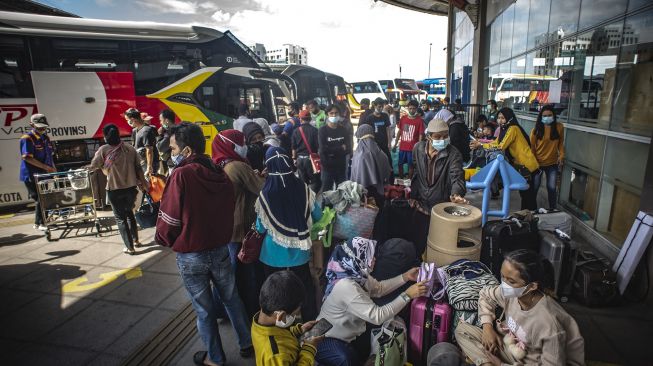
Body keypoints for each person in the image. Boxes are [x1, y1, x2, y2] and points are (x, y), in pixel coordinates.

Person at [155, 122, 253, 366]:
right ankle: (246, 342)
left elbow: (170, 217)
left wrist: (164, 239)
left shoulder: (181, 175)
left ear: (187, 151)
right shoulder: (219, 171)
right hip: (220, 249)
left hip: (192, 256)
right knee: (232, 298)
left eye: (173, 148)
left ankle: (216, 358)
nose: (171, 153)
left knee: (204, 309)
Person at [455, 249, 584, 366]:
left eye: (511, 281)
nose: (504, 284)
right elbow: (486, 295)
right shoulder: (512, 293)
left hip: (533, 362)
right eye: (502, 277)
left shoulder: (549, 323)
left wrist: (501, 364)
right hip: (510, 349)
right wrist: (487, 327)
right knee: (462, 330)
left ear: (532, 286)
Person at [315, 238, 427, 366]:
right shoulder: (346, 286)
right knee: (345, 359)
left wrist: (405, 277)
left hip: (344, 335)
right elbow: (377, 316)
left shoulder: (358, 276)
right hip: (323, 338)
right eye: (370, 256)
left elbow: (379, 288)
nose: (374, 260)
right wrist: (407, 295)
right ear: (357, 259)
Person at [255, 147, 323, 321]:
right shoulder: (304, 189)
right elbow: (318, 216)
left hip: (271, 255)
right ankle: (309, 322)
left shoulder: (266, 194)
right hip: (299, 252)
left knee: (274, 293)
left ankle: (279, 324)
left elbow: (260, 228)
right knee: (304, 288)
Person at [211, 129, 266, 318]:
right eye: (241, 143)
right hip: (242, 228)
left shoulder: (220, 163)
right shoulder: (237, 166)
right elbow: (262, 189)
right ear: (230, 145)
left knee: (227, 274)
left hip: (226, 225)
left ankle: (221, 310)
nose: (245, 147)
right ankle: (250, 310)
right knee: (245, 273)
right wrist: (263, 177)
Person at [410, 118, 467, 254]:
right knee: (419, 241)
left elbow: (456, 176)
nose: (442, 140)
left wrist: (456, 194)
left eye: (445, 136)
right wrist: (412, 193)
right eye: (438, 137)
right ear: (429, 136)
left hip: (442, 206)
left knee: (439, 244)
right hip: (421, 204)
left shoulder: (453, 154)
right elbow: (416, 171)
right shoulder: (417, 149)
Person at [87, 124, 147, 254]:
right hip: (131, 188)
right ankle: (135, 240)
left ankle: (129, 247)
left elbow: (93, 165)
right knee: (130, 213)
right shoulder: (130, 149)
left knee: (120, 218)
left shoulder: (103, 150)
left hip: (114, 189)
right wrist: (144, 183)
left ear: (105, 136)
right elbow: (139, 168)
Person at [470, 108, 540, 210]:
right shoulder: (505, 129)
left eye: (503, 118)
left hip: (528, 165)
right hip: (521, 165)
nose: (500, 120)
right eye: (498, 118)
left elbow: (500, 146)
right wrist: (481, 143)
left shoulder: (513, 129)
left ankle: (531, 217)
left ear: (509, 118)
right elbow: (495, 142)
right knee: (525, 195)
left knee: (528, 196)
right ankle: (526, 216)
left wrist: (480, 144)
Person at [253, 271, 322, 366]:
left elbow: (280, 335)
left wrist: (299, 330)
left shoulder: (261, 321)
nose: (295, 317)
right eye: (295, 314)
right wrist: (309, 349)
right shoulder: (276, 356)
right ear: (281, 315)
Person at [20, 113, 56, 231]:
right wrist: (46, 167)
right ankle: (40, 223)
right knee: (40, 199)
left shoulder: (46, 138)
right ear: (31, 125)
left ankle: (42, 221)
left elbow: (49, 155)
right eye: (40, 127)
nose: (42, 129)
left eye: (44, 127)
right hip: (32, 175)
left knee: (46, 197)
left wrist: (52, 169)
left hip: (45, 174)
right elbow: (27, 157)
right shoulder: (27, 138)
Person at [530, 105, 565, 210]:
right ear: (541, 117)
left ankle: (553, 209)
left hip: (552, 164)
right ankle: (533, 210)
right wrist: (533, 164)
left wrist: (562, 156)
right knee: (535, 188)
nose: (547, 117)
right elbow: (532, 149)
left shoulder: (559, 127)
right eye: (544, 115)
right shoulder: (535, 130)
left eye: (550, 115)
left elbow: (560, 144)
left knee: (552, 188)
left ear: (554, 116)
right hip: (538, 164)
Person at [351, 124, 391, 208]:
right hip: (380, 192)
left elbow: (357, 177)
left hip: (365, 195)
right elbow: (387, 172)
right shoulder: (381, 153)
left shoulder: (360, 155)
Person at [318, 104, 350, 191]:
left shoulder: (343, 130)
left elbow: (348, 148)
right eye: (331, 113)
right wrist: (340, 148)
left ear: (339, 114)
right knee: (326, 191)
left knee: (342, 190)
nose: (334, 115)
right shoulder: (322, 130)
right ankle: (326, 205)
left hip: (341, 166)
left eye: (336, 113)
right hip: (327, 167)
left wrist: (331, 150)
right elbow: (323, 149)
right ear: (327, 115)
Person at [393, 100, 425, 179]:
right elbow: (400, 132)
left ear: (416, 109)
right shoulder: (403, 119)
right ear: (407, 108)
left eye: (413, 108)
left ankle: (409, 182)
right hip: (402, 147)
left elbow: (421, 135)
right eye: (410, 108)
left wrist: (419, 148)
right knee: (400, 164)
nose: (411, 110)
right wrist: (395, 144)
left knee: (411, 166)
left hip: (413, 149)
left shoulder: (419, 121)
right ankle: (401, 180)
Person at [292, 110, 321, 193]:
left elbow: (293, 147)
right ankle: (313, 196)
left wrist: (294, 159)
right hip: (311, 160)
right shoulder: (315, 130)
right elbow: (319, 146)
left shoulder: (296, 131)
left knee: (303, 181)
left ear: (300, 119)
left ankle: (306, 196)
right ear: (310, 119)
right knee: (315, 180)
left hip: (300, 160)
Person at [124, 108, 158, 176]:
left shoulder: (146, 130)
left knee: (150, 185)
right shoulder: (134, 131)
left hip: (148, 165)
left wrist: (149, 167)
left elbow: (149, 150)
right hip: (141, 163)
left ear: (133, 119)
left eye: (127, 120)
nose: (127, 122)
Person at [361, 97, 392, 167]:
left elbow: (388, 129)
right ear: (375, 106)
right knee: (376, 163)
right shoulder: (369, 118)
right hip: (374, 144)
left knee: (388, 162)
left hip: (384, 143)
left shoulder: (385, 116)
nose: (381, 108)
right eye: (379, 107)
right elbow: (367, 133)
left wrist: (389, 142)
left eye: (382, 107)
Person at [156, 109, 176, 175]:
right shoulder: (179, 129)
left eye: (161, 120)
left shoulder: (169, 132)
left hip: (173, 165)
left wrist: (160, 135)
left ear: (166, 120)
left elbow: (160, 147)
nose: (160, 123)